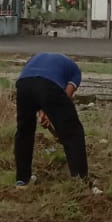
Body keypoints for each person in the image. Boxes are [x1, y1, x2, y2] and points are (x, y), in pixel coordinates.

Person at [15, 51, 88, 185]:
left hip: (23, 84)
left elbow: (36, 83)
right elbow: (66, 94)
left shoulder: (38, 57)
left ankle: (22, 179)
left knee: (24, 131)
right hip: (48, 86)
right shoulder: (76, 71)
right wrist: (51, 114)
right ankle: (80, 181)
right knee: (72, 133)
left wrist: (45, 110)